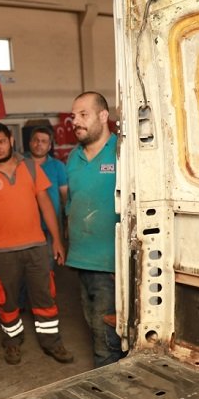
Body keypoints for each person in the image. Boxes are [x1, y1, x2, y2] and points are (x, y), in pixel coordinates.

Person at [0, 122, 74, 365]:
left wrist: (57, 240)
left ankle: (52, 342)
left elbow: (46, 204)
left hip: (36, 246)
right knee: (6, 300)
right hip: (1, 252)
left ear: (11, 141)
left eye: (1, 142)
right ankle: (12, 342)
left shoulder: (30, 167)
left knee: (45, 296)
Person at [66, 91, 125, 367]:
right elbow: (71, 203)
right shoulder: (73, 157)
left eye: (83, 114)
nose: (75, 121)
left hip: (110, 265)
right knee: (94, 327)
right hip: (82, 261)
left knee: (107, 341)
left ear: (103, 116)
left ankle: (110, 387)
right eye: (73, 116)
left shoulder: (122, 153)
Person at [19, 126, 68, 307]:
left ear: (50, 145)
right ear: (30, 142)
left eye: (44, 141)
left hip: (49, 228)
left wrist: (65, 224)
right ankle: (21, 303)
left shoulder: (58, 167)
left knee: (46, 267)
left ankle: (42, 304)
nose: (39, 144)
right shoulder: (19, 165)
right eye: (36, 140)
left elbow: (65, 197)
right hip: (24, 227)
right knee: (22, 267)